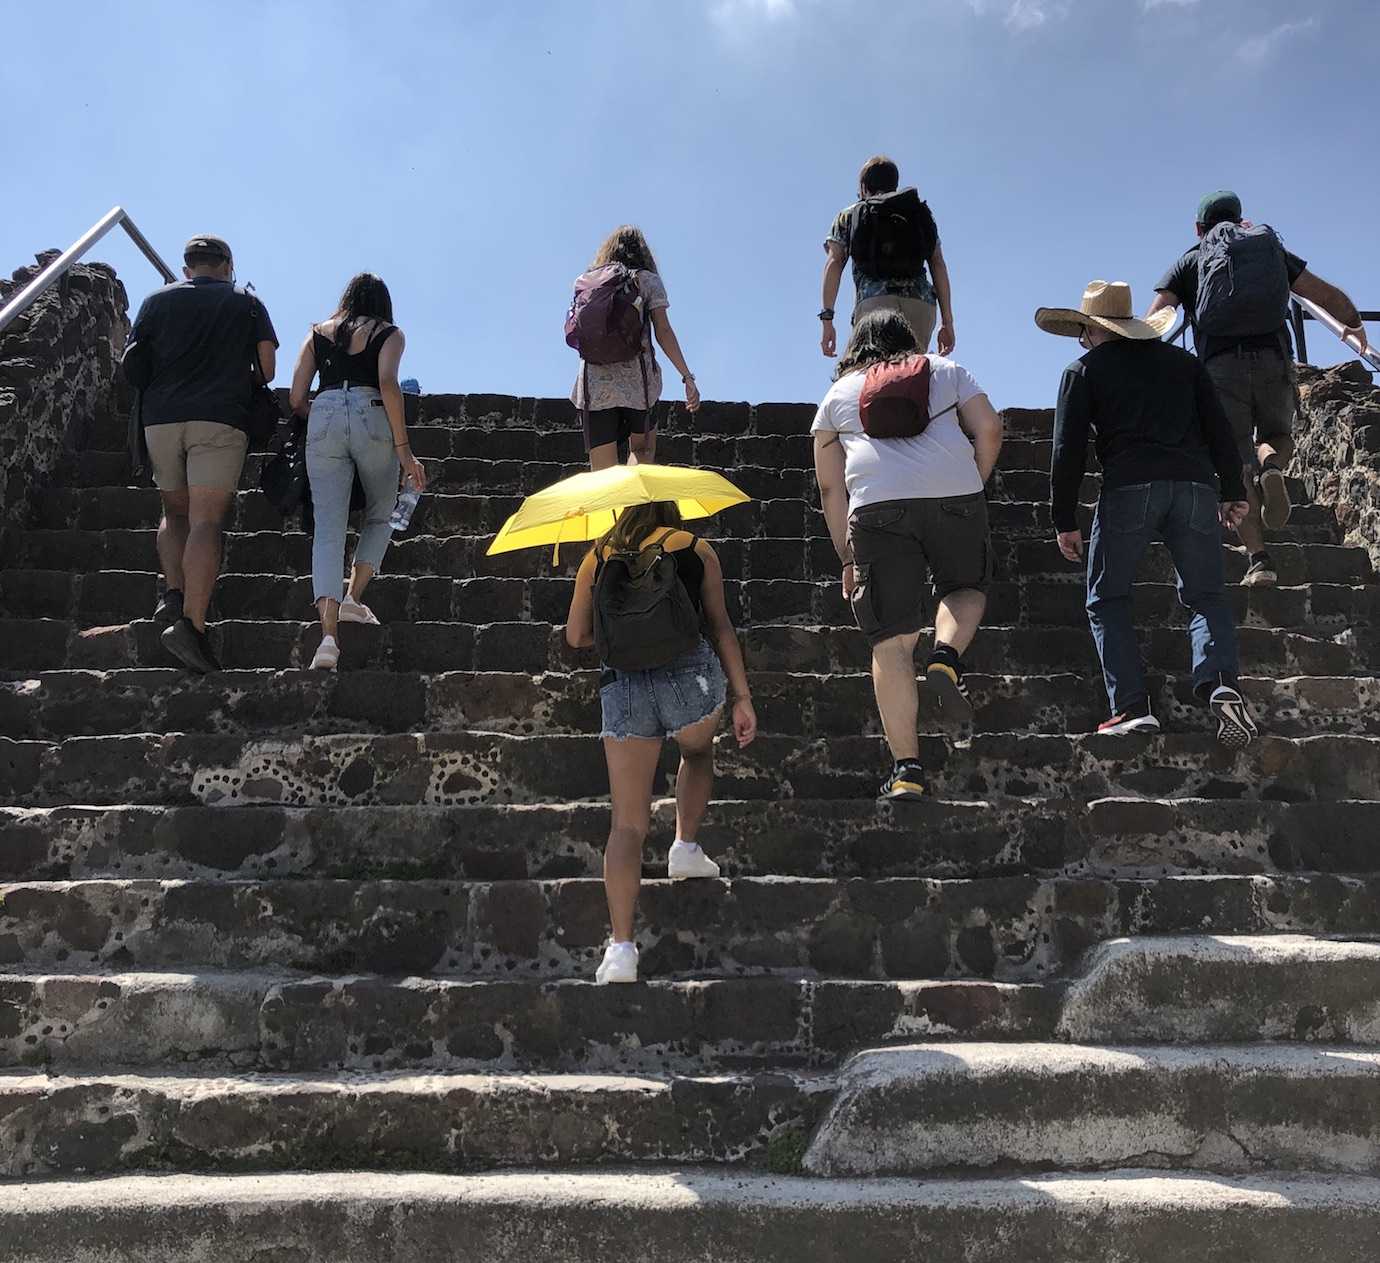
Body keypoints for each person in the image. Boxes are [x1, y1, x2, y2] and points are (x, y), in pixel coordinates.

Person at [1037, 280, 1257, 748]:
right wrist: (1233, 489)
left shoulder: (1083, 369)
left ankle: (1132, 708)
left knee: (1107, 597)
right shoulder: (1185, 365)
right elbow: (1220, 430)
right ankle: (1221, 680)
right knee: (1206, 595)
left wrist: (1064, 519)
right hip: (1196, 486)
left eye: (1084, 332)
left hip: (1129, 487)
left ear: (1093, 331)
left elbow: (1066, 450)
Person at [812, 309, 1003, 801]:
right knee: (964, 586)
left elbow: (831, 486)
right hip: (954, 494)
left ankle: (907, 771)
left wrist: (847, 556)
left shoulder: (837, 396)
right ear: (910, 339)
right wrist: (972, 484)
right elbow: (990, 428)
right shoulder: (947, 370)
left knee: (891, 643)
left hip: (877, 507)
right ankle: (944, 657)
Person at [565, 502, 757, 984]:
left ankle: (621, 950)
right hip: (688, 681)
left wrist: (626, 631)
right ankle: (685, 845)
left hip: (624, 687)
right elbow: (719, 626)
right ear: (673, 504)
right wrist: (742, 696)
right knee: (696, 750)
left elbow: (575, 635)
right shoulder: (694, 548)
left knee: (626, 826)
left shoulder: (598, 554)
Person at [1147, 190, 1374, 587]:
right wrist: (1354, 327)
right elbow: (1325, 296)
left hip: (1219, 370)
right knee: (1277, 436)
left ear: (1199, 229)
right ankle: (1272, 464)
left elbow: (1157, 317)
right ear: (1240, 218)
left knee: (1234, 466)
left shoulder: (1191, 260)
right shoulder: (1267, 249)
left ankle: (1260, 560)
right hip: (1272, 360)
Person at [121, 234, 277, 674]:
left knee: (174, 511)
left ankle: (172, 593)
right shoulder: (246, 301)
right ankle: (191, 626)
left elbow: (133, 361)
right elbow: (267, 369)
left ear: (187, 267)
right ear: (227, 264)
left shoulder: (155, 301)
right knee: (206, 520)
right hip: (218, 418)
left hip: (160, 419)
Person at [288, 273, 426, 670]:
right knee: (382, 512)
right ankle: (353, 598)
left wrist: (325, 413)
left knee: (329, 528)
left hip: (326, 413)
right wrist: (405, 452)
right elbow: (387, 382)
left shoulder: (318, 333)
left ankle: (328, 640)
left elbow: (297, 396)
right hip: (373, 418)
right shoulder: (390, 334)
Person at [569, 227, 700, 471]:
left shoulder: (584, 282)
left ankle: (611, 508)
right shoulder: (647, 280)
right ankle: (634, 507)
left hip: (595, 384)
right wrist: (687, 376)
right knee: (642, 452)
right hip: (637, 384)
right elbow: (663, 331)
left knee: (602, 472)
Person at [820, 155, 955, 360]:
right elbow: (937, 263)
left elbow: (834, 263)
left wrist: (827, 318)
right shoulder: (918, 212)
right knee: (911, 376)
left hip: (874, 305)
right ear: (895, 184)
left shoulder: (850, 214)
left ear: (864, 187)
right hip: (920, 305)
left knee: (868, 376)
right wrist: (947, 322)